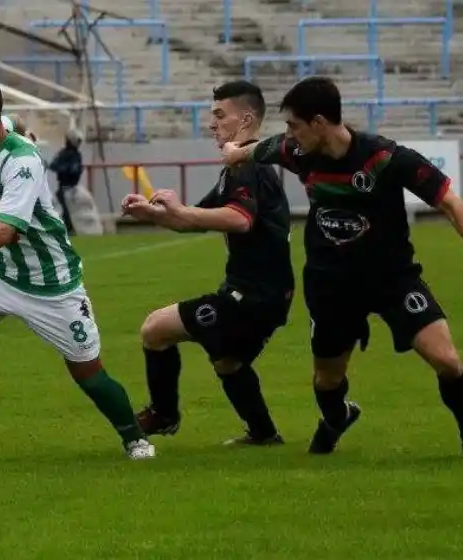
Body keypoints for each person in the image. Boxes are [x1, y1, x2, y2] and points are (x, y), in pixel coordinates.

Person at [0, 76, 155, 460]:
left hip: (49, 283)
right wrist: (20, 127)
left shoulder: (21, 161)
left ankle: (135, 439)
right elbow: (14, 121)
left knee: (89, 375)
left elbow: (4, 231)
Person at [221, 76, 463, 454]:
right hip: (331, 283)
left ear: (319, 123)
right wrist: (234, 152)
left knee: (447, 360)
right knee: (327, 379)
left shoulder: (385, 158)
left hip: (392, 278)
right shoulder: (297, 151)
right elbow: (257, 150)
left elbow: (450, 201)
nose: (290, 134)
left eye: (295, 125)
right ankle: (336, 417)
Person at [122, 80, 294, 446]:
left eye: (219, 115)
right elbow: (194, 220)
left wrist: (181, 211)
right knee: (227, 361)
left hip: (253, 296)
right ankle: (264, 434)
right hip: (268, 294)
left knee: (155, 329)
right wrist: (153, 214)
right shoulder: (239, 165)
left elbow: (239, 219)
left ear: (245, 119)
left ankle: (164, 414)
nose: (212, 125)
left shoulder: (247, 164)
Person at [49, 129, 84, 234]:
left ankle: (72, 228)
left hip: (74, 187)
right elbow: (53, 165)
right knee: (65, 209)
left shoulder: (77, 155)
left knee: (72, 209)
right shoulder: (63, 154)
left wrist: (75, 169)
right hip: (64, 186)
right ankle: (69, 228)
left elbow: (77, 169)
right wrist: (65, 168)